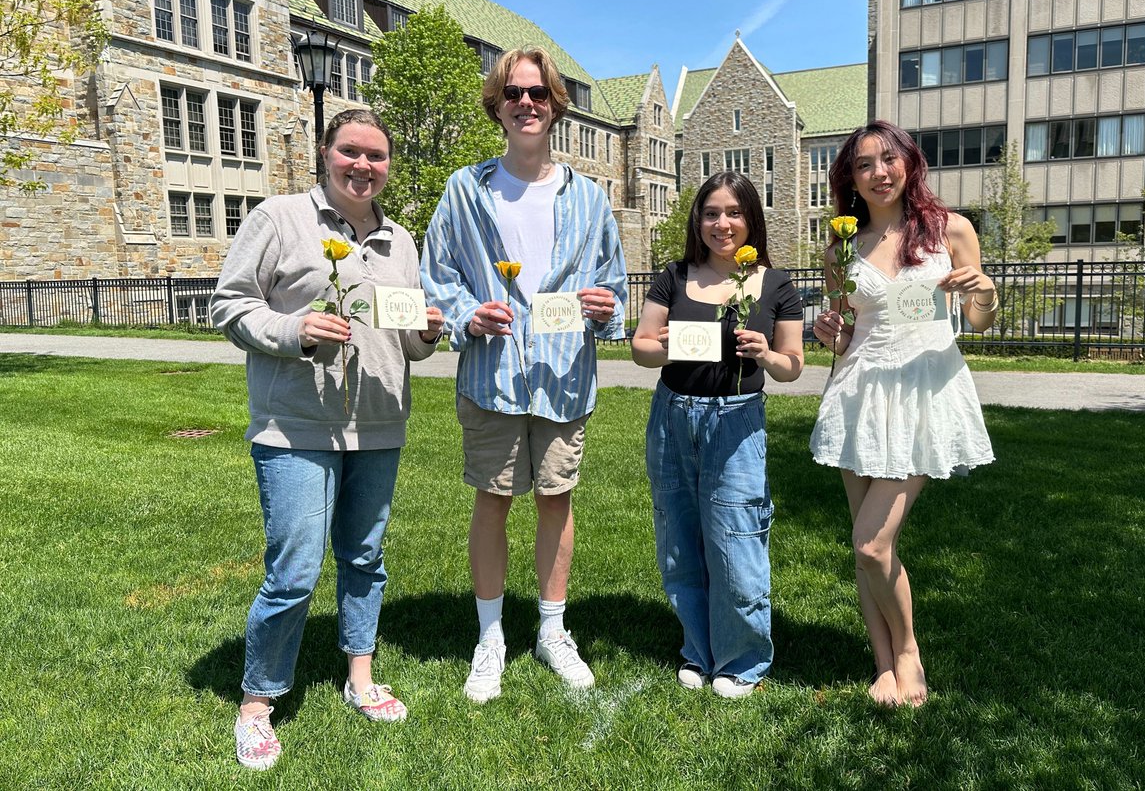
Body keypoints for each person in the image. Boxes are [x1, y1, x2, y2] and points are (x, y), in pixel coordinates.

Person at [211, 108, 445, 770]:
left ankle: (360, 677)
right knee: (294, 571)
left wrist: (427, 332)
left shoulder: (400, 240)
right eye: (350, 151)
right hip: (296, 427)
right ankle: (257, 702)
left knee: (365, 558)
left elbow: (409, 343)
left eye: (376, 155)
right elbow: (228, 303)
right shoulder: (279, 218)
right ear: (325, 152)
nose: (363, 165)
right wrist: (296, 330)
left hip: (378, 425)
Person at [420, 47, 628, 703]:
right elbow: (438, 271)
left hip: (563, 375)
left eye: (538, 93)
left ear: (555, 105)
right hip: (494, 374)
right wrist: (465, 315)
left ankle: (552, 631)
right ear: (498, 105)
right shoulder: (465, 189)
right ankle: (490, 637)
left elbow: (614, 283)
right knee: (493, 500)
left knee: (555, 500)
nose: (526, 103)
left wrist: (607, 308)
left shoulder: (588, 198)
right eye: (513, 93)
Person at [808, 120, 996, 708]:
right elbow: (846, 334)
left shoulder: (950, 229)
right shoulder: (841, 247)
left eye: (888, 159)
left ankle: (908, 650)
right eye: (864, 164)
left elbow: (979, 321)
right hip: (857, 396)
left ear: (909, 163)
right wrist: (830, 332)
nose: (878, 172)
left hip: (925, 394)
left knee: (872, 543)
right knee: (863, 544)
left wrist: (985, 290)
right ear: (850, 178)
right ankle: (884, 664)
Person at [630, 172, 805, 698]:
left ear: (751, 219)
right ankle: (698, 649)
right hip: (673, 415)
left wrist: (765, 354)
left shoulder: (775, 284)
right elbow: (640, 348)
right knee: (679, 535)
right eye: (710, 213)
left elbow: (792, 366)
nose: (721, 224)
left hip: (736, 420)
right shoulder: (674, 275)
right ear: (697, 220)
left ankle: (742, 659)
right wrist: (664, 346)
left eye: (733, 212)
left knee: (736, 536)